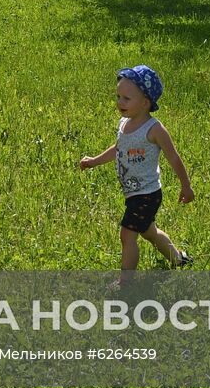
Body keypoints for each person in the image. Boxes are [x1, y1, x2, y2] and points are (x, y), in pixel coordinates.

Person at [78, 65, 195, 286]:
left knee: (127, 235)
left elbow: (174, 158)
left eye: (126, 98)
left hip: (147, 195)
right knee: (150, 232)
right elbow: (118, 148)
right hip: (134, 194)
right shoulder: (125, 124)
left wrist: (186, 187)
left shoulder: (154, 129)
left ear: (145, 102)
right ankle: (178, 258)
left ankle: (126, 282)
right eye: (118, 96)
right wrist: (94, 161)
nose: (120, 102)